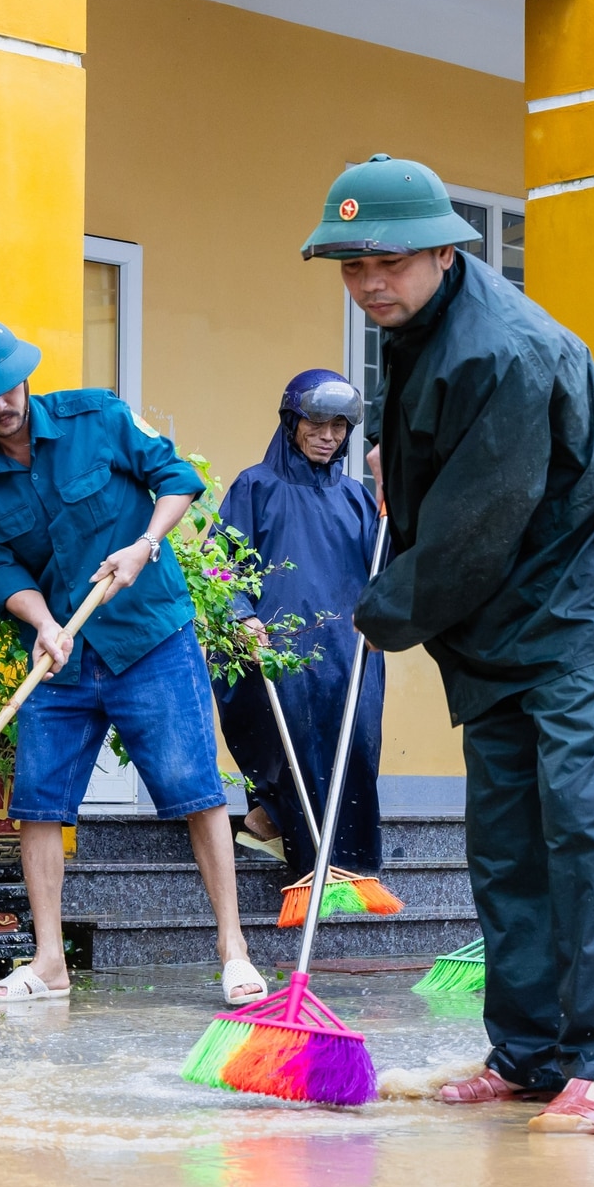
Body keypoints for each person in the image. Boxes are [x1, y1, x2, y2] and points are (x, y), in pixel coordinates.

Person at [311, 154, 594, 1135]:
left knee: (588, 826)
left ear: (438, 250)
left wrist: (383, 610)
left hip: (580, 604)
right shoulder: (415, 331)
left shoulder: (500, 349)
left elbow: (475, 527)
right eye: (349, 264)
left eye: (386, 260)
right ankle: (528, 1053)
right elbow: (445, 478)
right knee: (505, 833)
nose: (368, 280)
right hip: (504, 610)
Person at [0, 319, 265, 1008]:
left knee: (194, 788)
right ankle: (50, 963)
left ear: (24, 375)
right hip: (63, 654)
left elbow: (176, 479)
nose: (1, 404)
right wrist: (45, 622)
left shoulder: (99, 416)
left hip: (149, 636)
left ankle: (233, 949)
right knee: (38, 801)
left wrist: (146, 542)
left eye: (6, 386)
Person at [213, 369, 385, 872]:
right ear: (292, 421)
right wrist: (240, 617)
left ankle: (348, 873)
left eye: (339, 426)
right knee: (284, 746)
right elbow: (221, 567)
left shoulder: (358, 497)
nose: (328, 436)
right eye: (316, 423)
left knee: (355, 751)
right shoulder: (255, 486)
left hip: (349, 650)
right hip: (275, 647)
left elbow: (385, 566)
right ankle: (294, 847)